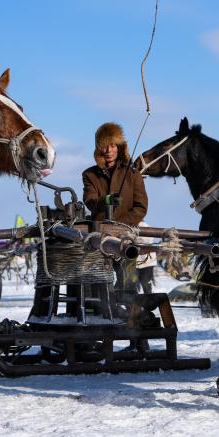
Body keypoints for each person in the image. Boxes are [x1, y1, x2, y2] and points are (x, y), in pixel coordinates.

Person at [82, 122, 149, 315]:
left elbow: (141, 207)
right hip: (98, 238)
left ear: (119, 147)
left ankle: (134, 328)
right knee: (95, 284)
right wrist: (106, 201)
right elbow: (90, 201)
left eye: (112, 145)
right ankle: (96, 324)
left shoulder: (133, 174)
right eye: (104, 146)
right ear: (98, 148)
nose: (108, 150)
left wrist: (121, 225)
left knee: (128, 283)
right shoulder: (90, 175)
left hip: (126, 238)